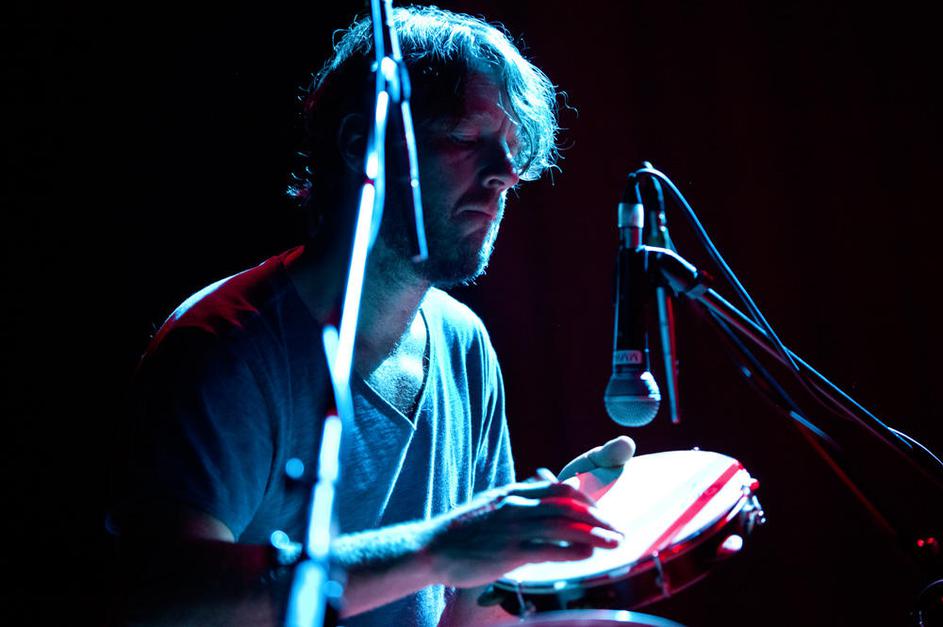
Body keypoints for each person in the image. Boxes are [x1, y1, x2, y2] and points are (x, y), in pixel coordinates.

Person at [111, 6, 635, 626]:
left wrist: (531, 543)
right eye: (466, 139)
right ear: (362, 144)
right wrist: (438, 548)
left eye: (512, 152)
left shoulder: (464, 345)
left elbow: (467, 618)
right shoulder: (225, 349)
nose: (502, 176)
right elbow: (164, 600)